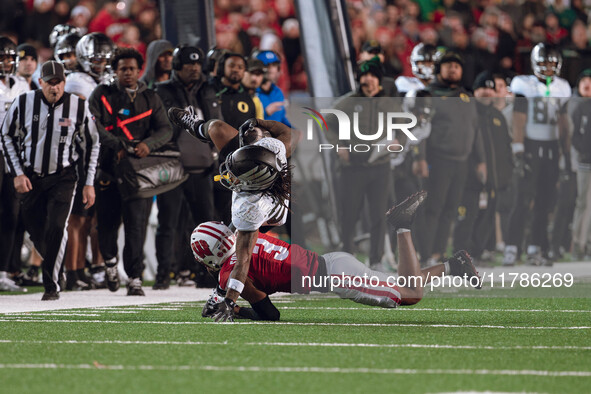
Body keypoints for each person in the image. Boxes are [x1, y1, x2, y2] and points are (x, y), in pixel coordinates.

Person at [196, 191, 481, 322]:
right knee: (401, 284)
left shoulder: (230, 273)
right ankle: (453, 265)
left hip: (336, 276)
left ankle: (401, 225)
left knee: (412, 293)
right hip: (333, 261)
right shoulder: (249, 235)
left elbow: (270, 314)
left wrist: (236, 310)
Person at [168, 108, 299, 319]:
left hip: (267, 215)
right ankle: (196, 126)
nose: (228, 173)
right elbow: (292, 133)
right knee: (217, 128)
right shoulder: (274, 147)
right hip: (260, 176)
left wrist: (229, 300)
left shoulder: (250, 209)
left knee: (217, 248)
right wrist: (260, 122)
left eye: (235, 173)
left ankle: (219, 290)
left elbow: (242, 261)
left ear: (249, 181)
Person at [0, 60, 100, 300]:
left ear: (64, 83)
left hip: (64, 176)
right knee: (37, 232)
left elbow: (92, 144)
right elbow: (6, 135)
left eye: (59, 83)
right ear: (40, 82)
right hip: (31, 176)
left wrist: (88, 183)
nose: (54, 88)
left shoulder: (78, 106)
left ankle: (52, 285)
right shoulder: (24, 102)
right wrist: (17, 173)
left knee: (57, 227)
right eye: (49, 83)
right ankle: (56, 264)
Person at [89, 48, 172, 296]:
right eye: (123, 68)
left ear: (139, 70)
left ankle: (134, 278)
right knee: (106, 224)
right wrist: (119, 145)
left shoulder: (151, 97)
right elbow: (93, 126)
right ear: (115, 71)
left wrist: (148, 145)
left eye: (132, 69)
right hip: (108, 168)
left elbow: (166, 129)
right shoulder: (102, 94)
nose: (128, 73)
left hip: (139, 171)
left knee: (136, 226)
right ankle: (111, 264)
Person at [153, 45, 216, 289]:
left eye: (198, 64)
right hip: (173, 166)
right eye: (189, 65)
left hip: (202, 167)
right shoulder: (161, 91)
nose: (194, 68)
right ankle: (162, 275)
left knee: (206, 225)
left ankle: (204, 274)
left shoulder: (208, 89)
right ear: (177, 67)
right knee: (167, 223)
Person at [503, 43, 571, 266]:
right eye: (544, 64)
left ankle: (535, 247)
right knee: (522, 199)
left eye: (552, 64)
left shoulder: (562, 87)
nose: (549, 69)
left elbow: (563, 122)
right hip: (530, 146)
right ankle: (512, 247)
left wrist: (564, 152)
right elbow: (519, 117)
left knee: (544, 201)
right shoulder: (525, 84)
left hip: (551, 147)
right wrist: (518, 147)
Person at [416, 49, 485, 266]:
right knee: (434, 208)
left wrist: (481, 160)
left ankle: (438, 253)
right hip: (439, 160)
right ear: (439, 69)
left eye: (457, 65)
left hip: (462, 162)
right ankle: (425, 254)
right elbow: (420, 130)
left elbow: (475, 129)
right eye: (448, 65)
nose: (453, 69)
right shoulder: (429, 94)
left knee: (450, 210)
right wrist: (421, 159)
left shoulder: (466, 96)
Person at [453, 71, 513, 262]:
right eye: (482, 88)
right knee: (468, 218)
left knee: (487, 218)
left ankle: (479, 253)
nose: (487, 92)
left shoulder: (497, 116)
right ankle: (461, 255)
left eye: (490, 88)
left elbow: (505, 148)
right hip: (470, 179)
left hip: (494, 180)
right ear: (475, 91)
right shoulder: (468, 113)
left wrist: (505, 176)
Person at [0, 36, 29, 292]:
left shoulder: (21, 83)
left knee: (12, 212)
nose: (7, 62)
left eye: (10, 57)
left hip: (12, 153)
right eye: (3, 57)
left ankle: (6, 271)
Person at [570, 69, 591, 260]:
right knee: (583, 202)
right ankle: (579, 244)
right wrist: (583, 150)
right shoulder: (579, 108)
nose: (587, 84)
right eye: (584, 80)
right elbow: (573, 134)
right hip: (586, 161)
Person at [254, 50, 291, 127]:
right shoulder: (251, 92)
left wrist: (292, 130)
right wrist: (266, 112)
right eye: (266, 64)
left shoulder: (278, 92)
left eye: (274, 65)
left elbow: (282, 118)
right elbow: (244, 121)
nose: (270, 68)